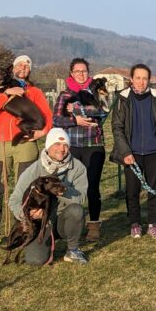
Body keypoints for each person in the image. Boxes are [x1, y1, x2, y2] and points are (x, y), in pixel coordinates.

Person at [0, 55, 53, 249]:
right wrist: (7, 92)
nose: (23, 68)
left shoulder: (34, 91)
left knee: (25, 188)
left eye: (27, 66)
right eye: (20, 64)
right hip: (1, 143)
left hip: (25, 143)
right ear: (13, 68)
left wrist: (43, 132)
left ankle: (24, 229)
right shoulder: (0, 89)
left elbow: (47, 115)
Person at [110, 64, 156, 239]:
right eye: (137, 78)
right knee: (132, 191)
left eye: (145, 78)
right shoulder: (123, 99)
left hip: (154, 152)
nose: (141, 81)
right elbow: (117, 128)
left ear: (149, 80)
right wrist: (125, 152)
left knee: (154, 190)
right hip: (132, 153)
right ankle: (135, 223)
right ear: (131, 79)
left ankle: (153, 224)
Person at [9, 128, 89, 264]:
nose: (62, 149)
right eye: (56, 144)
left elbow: (81, 198)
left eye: (65, 145)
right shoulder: (33, 170)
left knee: (76, 210)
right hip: (41, 224)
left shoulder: (78, 168)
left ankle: (73, 250)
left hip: (62, 219)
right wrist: (28, 215)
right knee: (35, 260)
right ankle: (38, 244)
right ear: (48, 146)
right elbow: (14, 200)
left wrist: (61, 190)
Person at [52, 58, 109, 242]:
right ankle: (70, 224)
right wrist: (75, 121)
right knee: (70, 187)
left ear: (88, 72)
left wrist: (77, 108)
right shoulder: (64, 95)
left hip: (94, 145)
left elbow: (103, 110)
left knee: (92, 186)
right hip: (73, 146)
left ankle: (94, 225)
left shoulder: (97, 89)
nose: (81, 74)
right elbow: (56, 120)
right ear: (71, 73)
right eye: (77, 71)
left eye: (84, 71)